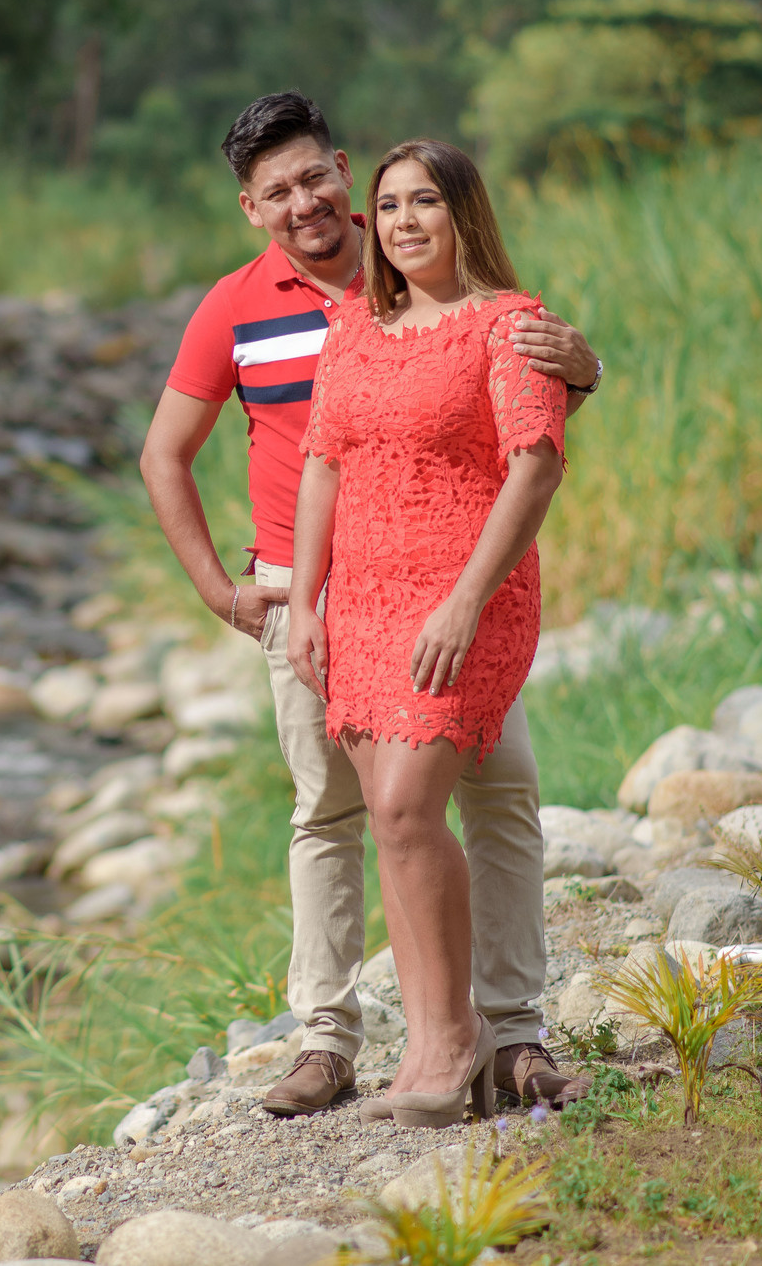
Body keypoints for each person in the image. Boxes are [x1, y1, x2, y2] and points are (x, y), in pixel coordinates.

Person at [139, 93, 600, 1120]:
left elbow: (528, 403)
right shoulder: (235, 305)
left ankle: (506, 1033)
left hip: (447, 591)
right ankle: (328, 1037)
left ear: (343, 175)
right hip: (318, 599)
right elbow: (176, 455)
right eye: (275, 192)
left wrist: (589, 368)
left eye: (315, 180)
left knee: (497, 795)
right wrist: (233, 592)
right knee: (335, 811)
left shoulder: (431, 278)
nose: (304, 203)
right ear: (249, 207)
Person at [283, 136, 566, 1127]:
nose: (403, 221)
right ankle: (435, 1035)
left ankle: (455, 1035)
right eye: (390, 204)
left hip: (465, 599)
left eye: (425, 203)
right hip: (358, 598)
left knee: (405, 808)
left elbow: (533, 465)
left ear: (463, 214)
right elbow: (322, 463)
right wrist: (307, 603)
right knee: (395, 823)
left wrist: (462, 600)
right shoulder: (354, 325)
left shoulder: (510, 323)